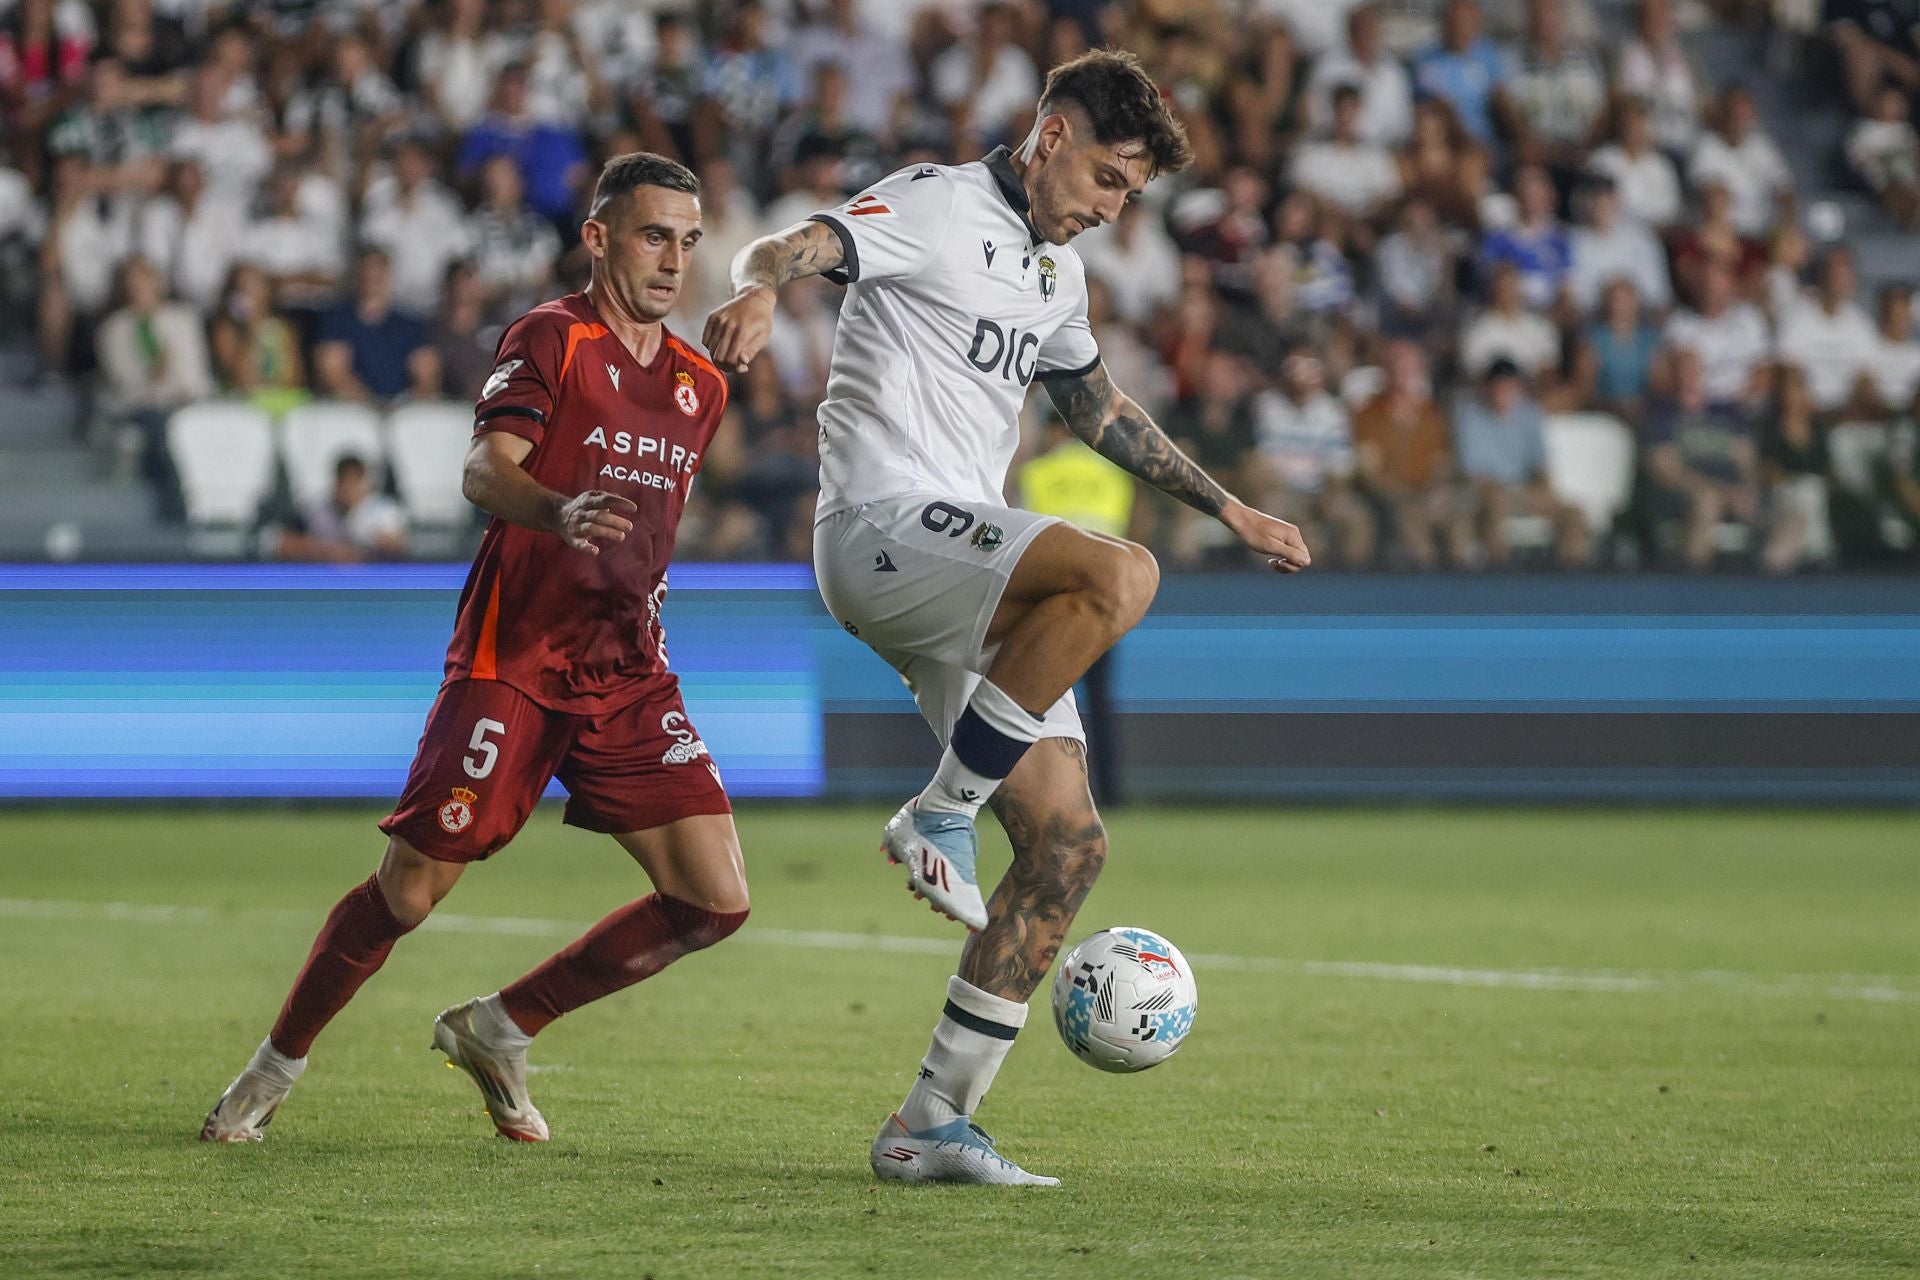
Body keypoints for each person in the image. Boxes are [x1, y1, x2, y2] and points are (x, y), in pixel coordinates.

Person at [703, 50, 1309, 1185]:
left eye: (1132, 192)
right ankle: (937, 812)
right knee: (1122, 576)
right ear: (1052, 132)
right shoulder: (935, 204)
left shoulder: (1053, 276)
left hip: (966, 571)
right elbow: (797, 242)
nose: (1115, 207)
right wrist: (758, 283)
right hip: (881, 529)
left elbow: (1099, 408)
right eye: (1114, 177)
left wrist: (1229, 506)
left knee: (1068, 848)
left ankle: (930, 1120)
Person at [200, 153, 748, 1146]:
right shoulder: (551, 336)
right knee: (410, 889)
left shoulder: (701, 384)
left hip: (626, 670)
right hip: (516, 658)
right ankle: (272, 1065)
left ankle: (500, 1025)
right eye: (652, 234)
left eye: (688, 239)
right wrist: (558, 505)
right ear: (598, 237)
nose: (673, 259)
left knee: (715, 900)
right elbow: (483, 471)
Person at [1016, 415, 1135, 807]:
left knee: (1032, 701)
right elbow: (1125, 532)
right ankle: (1111, 794)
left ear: (1054, 432)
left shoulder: (1036, 473)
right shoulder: (1112, 475)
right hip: (1104, 598)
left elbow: (1023, 536)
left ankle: (1034, 794)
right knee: (1100, 702)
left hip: (1051, 601)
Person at [1454, 357, 1588, 566]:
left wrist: (1543, 483)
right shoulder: (1472, 417)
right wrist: (1500, 488)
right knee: (1495, 504)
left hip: (1526, 490)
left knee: (1574, 513)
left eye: (1510, 387)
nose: (1505, 393)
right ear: (1488, 388)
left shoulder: (1530, 415)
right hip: (1490, 491)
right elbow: (1472, 468)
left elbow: (1540, 461)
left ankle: (1572, 574)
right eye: (1499, 386)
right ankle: (1502, 573)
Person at [274, 453, 408, 563]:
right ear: (337, 482)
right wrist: (329, 550)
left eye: (357, 482)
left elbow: (399, 544)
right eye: (347, 482)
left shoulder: (381, 510)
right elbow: (282, 544)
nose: (351, 489)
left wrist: (383, 541)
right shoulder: (315, 512)